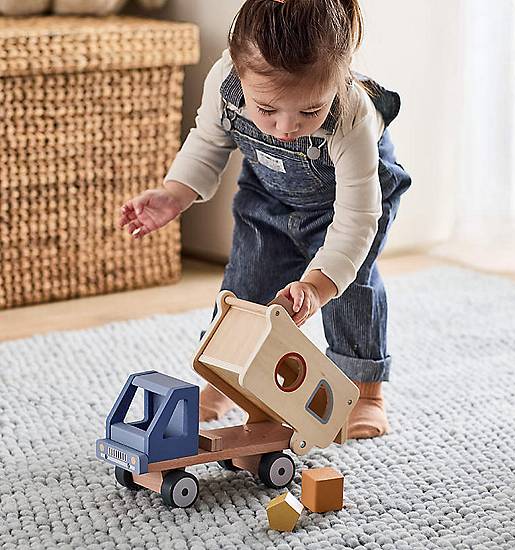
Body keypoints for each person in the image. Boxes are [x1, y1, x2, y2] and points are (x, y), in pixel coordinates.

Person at [119, 0, 411, 439]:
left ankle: (365, 391)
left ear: (341, 75)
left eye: (310, 111)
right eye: (267, 110)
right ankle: (228, 377)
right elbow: (207, 143)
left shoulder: (354, 115)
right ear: (238, 70)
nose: (285, 127)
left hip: (348, 205)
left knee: (353, 290)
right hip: (268, 193)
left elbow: (356, 220)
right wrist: (173, 195)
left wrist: (317, 285)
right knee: (245, 283)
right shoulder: (225, 83)